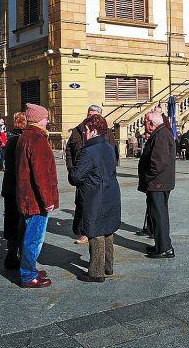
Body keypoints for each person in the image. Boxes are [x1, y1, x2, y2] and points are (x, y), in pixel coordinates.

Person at [69, 115, 121, 283]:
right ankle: (108, 266)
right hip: (111, 191)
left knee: (96, 230)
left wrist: (72, 171)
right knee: (107, 228)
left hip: (95, 194)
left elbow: (76, 177)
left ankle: (96, 273)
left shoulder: (88, 151)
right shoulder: (108, 147)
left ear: (93, 131)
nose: (83, 132)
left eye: (85, 130)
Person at [16, 103, 59, 288]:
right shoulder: (37, 138)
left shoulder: (25, 136)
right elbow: (41, 174)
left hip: (27, 197)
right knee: (34, 238)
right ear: (39, 119)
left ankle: (29, 268)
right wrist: (48, 201)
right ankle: (28, 275)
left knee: (29, 235)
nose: (48, 120)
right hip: (35, 200)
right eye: (46, 117)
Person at [65, 104, 117, 245]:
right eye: (88, 114)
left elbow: (112, 154)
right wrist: (72, 168)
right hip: (81, 173)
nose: (90, 116)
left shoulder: (106, 134)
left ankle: (92, 233)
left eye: (93, 114)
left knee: (94, 208)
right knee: (81, 204)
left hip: (96, 178)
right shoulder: (78, 130)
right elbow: (69, 150)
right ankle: (84, 232)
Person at [138, 110, 176, 258]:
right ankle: (161, 244)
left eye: (145, 122)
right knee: (156, 215)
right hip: (158, 182)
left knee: (159, 215)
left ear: (152, 124)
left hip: (158, 182)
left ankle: (165, 249)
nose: (144, 125)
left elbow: (158, 163)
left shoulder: (161, 135)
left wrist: (147, 177)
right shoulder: (161, 133)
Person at [1, 112, 27, 269]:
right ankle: (16, 256)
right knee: (19, 222)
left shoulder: (11, 138)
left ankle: (11, 255)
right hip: (17, 187)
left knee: (11, 221)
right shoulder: (20, 140)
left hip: (9, 187)